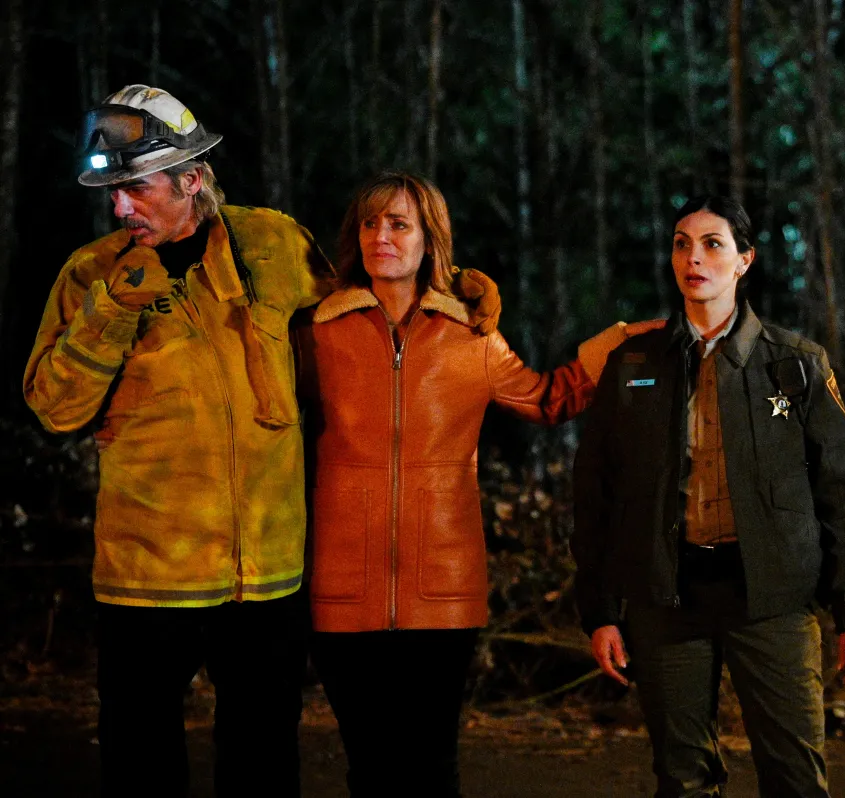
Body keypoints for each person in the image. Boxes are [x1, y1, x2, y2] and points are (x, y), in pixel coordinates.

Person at [22, 85, 494, 798]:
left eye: (136, 188)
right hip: (149, 578)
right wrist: (111, 309)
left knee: (263, 759)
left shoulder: (272, 243)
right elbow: (55, 410)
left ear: (191, 179)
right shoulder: (91, 274)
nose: (120, 208)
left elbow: (360, 318)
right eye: (113, 193)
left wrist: (450, 298)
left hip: (267, 576)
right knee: (141, 758)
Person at [298, 170, 662, 798]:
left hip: (443, 591)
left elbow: (549, 399)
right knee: (369, 769)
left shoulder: (472, 336)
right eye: (370, 223)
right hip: (341, 588)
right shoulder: (316, 333)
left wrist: (623, 342)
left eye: (399, 224)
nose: (380, 236)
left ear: (430, 241)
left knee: (432, 769)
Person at [571, 195, 845, 798]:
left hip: (773, 598)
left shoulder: (795, 364)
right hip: (667, 598)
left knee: (795, 777)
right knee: (683, 778)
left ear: (744, 260)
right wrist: (601, 609)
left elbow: (843, 494)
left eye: (713, 244)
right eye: (681, 244)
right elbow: (597, 493)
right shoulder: (633, 364)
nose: (694, 258)